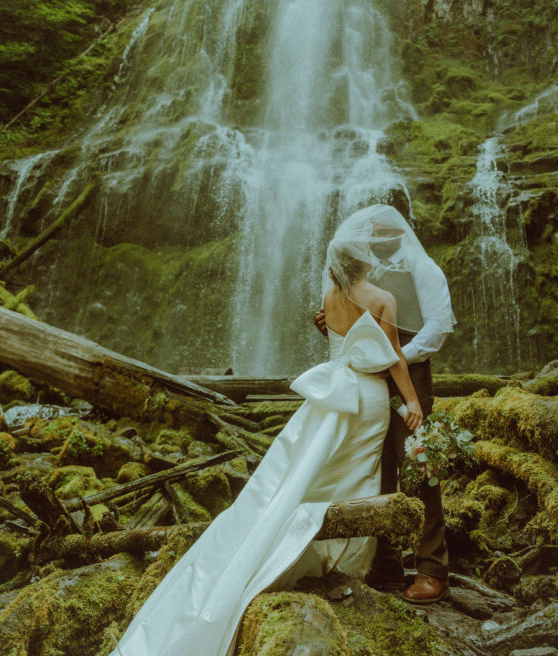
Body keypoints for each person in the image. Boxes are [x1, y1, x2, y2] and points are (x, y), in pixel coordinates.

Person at [111, 234, 422, 656]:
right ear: (366, 262)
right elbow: (393, 358)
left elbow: (339, 341)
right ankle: (342, 565)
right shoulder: (383, 297)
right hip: (365, 398)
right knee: (357, 474)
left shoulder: (329, 295)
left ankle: (301, 546)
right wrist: (412, 401)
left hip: (331, 394)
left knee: (309, 472)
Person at [313, 203, 456, 604]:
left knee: (419, 463)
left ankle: (433, 568)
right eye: (369, 231)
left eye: (381, 230)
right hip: (367, 377)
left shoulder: (424, 269)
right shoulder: (360, 276)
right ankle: (386, 560)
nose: (374, 237)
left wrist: (391, 358)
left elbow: (438, 328)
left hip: (408, 372)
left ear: (399, 229)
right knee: (375, 465)